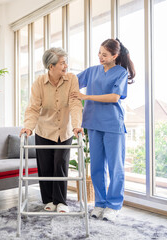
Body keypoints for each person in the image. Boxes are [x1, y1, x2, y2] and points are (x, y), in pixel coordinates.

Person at [70, 38, 135, 221]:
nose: (100, 57)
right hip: (93, 123)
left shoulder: (120, 73)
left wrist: (86, 96)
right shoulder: (92, 71)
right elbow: (72, 82)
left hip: (113, 124)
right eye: (99, 53)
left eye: (105, 54)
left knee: (116, 167)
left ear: (115, 56)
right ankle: (99, 203)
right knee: (97, 166)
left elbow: (115, 97)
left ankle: (113, 206)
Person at [20, 47, 84, 213]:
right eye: (62, 63)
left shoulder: (71, 80)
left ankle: (61, 201)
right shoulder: (39, 83)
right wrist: (28, 127)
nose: (66, 66)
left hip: (64, 129)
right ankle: (48, 200)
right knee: (46, 166)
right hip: (44, 129)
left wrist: (77, 125)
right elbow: (33, 108)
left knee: (60, 163)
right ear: (51, 66)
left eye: (65, 62)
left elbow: (75, 104)